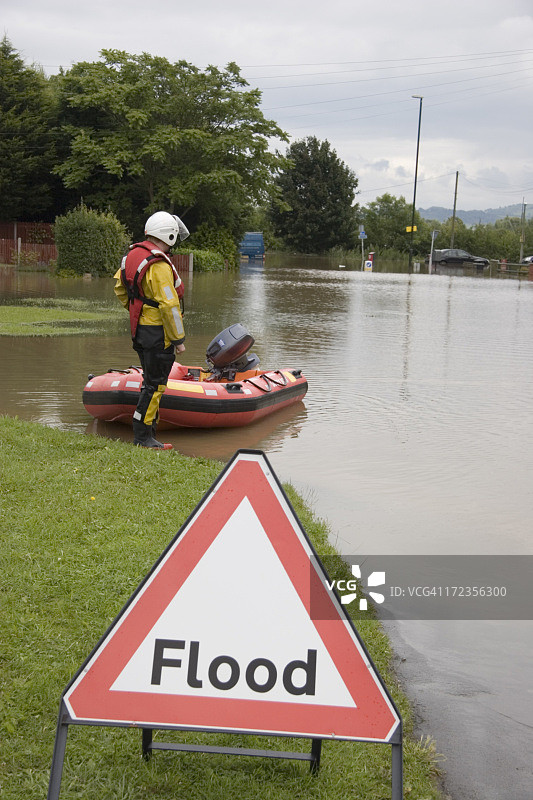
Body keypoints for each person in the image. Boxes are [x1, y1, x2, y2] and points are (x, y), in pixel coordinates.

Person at [114, 211, 190, 449]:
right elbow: (169, 306)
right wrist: (179, 340)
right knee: (155, 385)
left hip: (140, 330)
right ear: (168, 234)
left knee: (149, 382)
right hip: (158, 334)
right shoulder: (158, 265)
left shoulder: (132, 256)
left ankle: (147, 434)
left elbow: (120, 288)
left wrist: (138, 309)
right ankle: (143, 437)